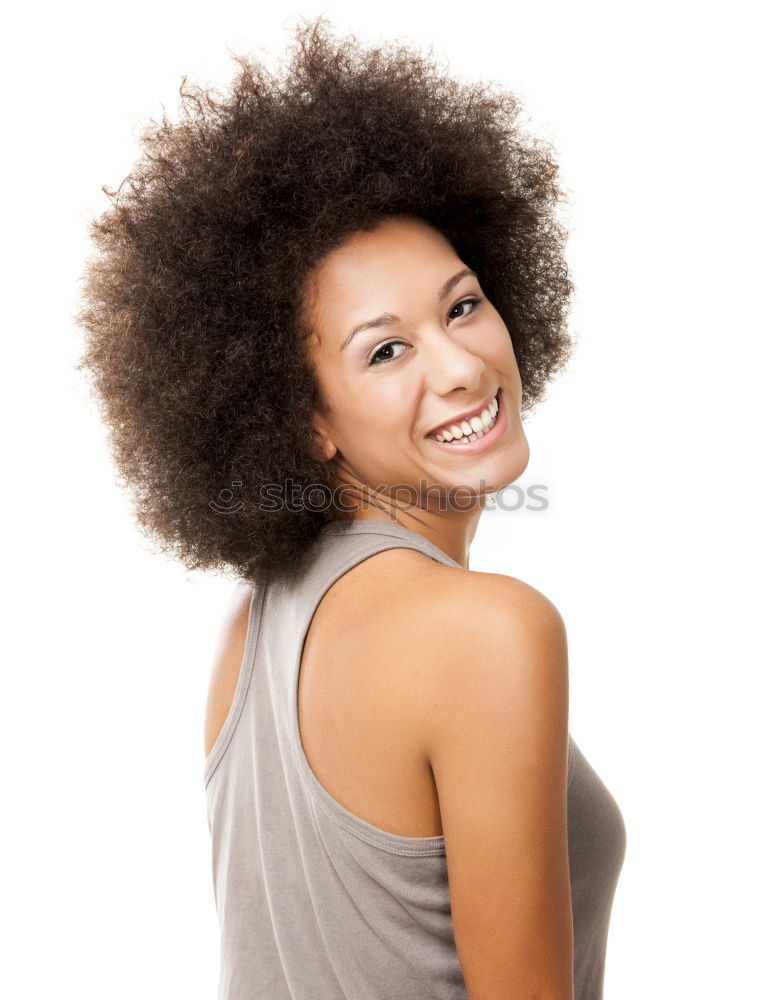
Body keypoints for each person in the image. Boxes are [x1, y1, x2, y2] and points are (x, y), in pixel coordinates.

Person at [75, 15, 626, 999]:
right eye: (386, 349)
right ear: (303, 416)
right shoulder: (487, 630)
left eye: (461, 305)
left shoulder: (251, 630)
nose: (461, 367)